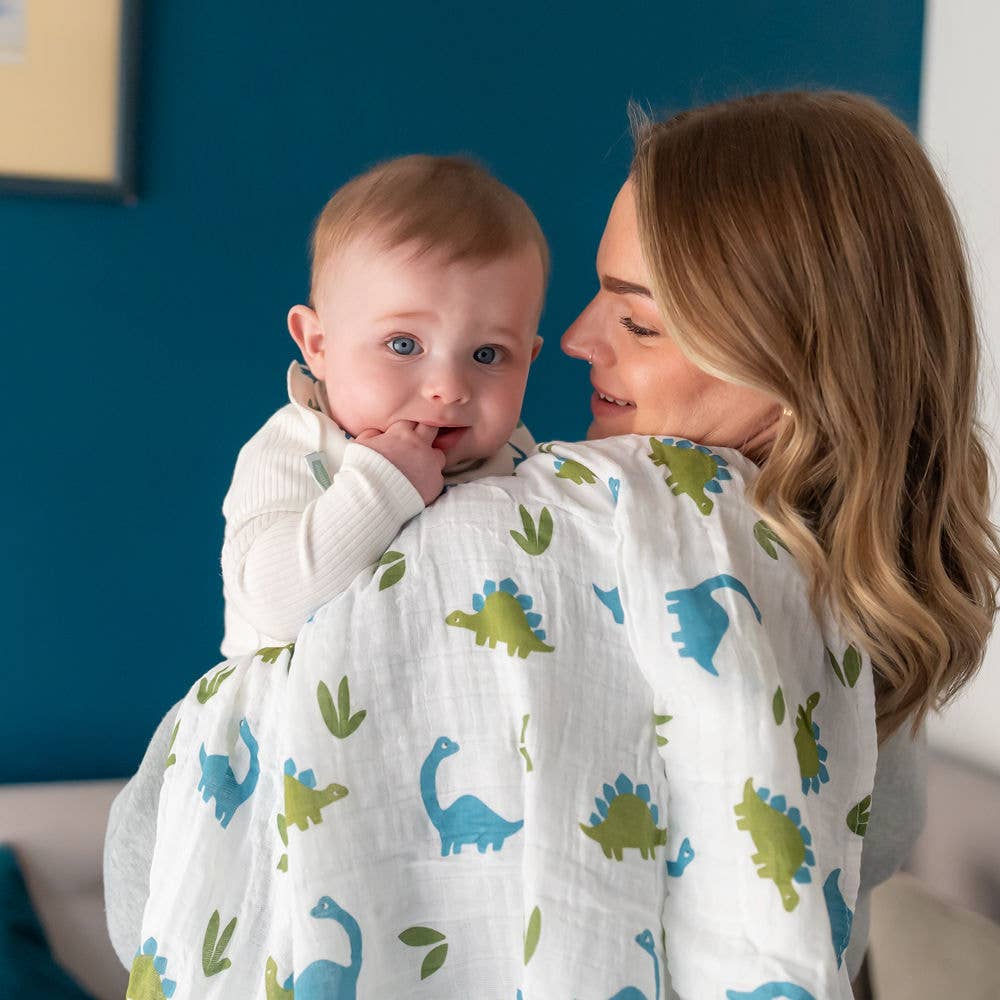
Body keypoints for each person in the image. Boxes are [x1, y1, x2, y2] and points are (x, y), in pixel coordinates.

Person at [105, 91, 999, 997]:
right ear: (316, 342)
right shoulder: (857, 614)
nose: (572, 341)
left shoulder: (547, 528)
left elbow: (151, 883)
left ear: (804, 361)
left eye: (639, 322)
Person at [219, 154, 546, 657]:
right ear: (318, 345)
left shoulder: (523, 461)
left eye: (487, 354)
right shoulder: (295, 451)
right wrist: (380, 486)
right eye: (403, 345)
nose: (448, 387)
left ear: (529, 359)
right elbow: (272, 604)